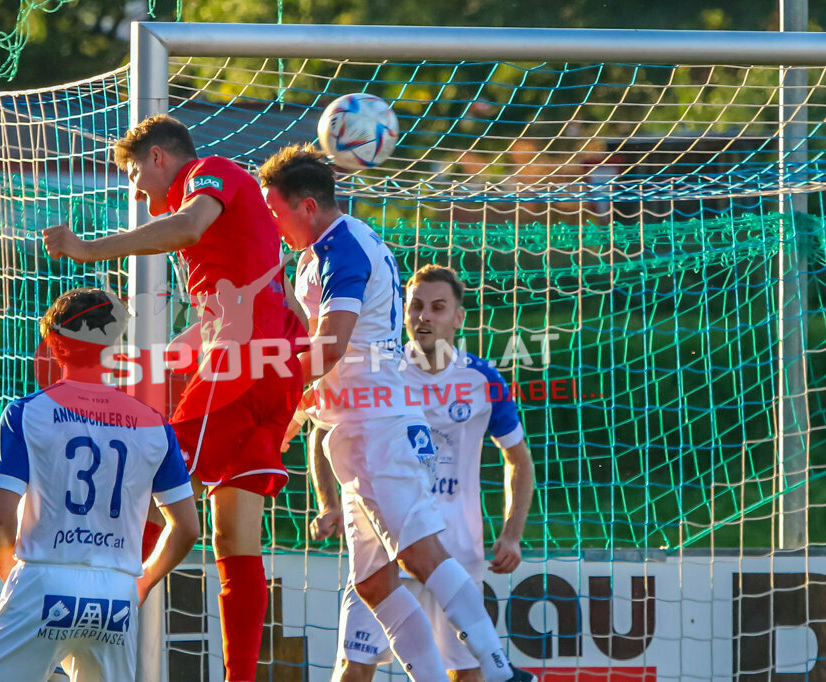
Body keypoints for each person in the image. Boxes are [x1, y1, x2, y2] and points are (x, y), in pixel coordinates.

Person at [43, 114, 306, 681]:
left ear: (160, 157)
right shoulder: (239, 216)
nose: (136, 190)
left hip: (239, 373)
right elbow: (288, 308)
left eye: (136, 173)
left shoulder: (207, 173)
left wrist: (88, 250)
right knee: (233, 531)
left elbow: (188, 227)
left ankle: (71, 633)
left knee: (143, 492)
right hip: (270, 367)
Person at [259, 144, 525, 682]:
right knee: (374, 583)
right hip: (352, 429)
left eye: (275, 211)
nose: (272, 222)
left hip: (379, 428)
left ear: (307, 206)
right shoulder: (320, 252)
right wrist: (296, 410)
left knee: (418, 557)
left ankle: (501, 672)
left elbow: (330, 347)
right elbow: (332, 356)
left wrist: (263, 385)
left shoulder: (344, 249)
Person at [0, 288, 199, 682]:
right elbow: (187, 528)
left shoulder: (26, 413)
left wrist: (8, 570)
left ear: (54, 345)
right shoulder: (155, 425)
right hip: (117, 595)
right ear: (115, 344)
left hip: (43, 580)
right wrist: (143, 581)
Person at [320, 264, 536, 681]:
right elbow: (324, 434)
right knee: (354, 668)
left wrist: (512, 531)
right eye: (416, 306)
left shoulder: (483, 379)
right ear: (402, 312)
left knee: (466, 675)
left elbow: (519, 460)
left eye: (438, 308)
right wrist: (330, 503)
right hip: (385, 551)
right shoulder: (376, 370)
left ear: (458, 317)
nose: (424, 317)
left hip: (454, 553)